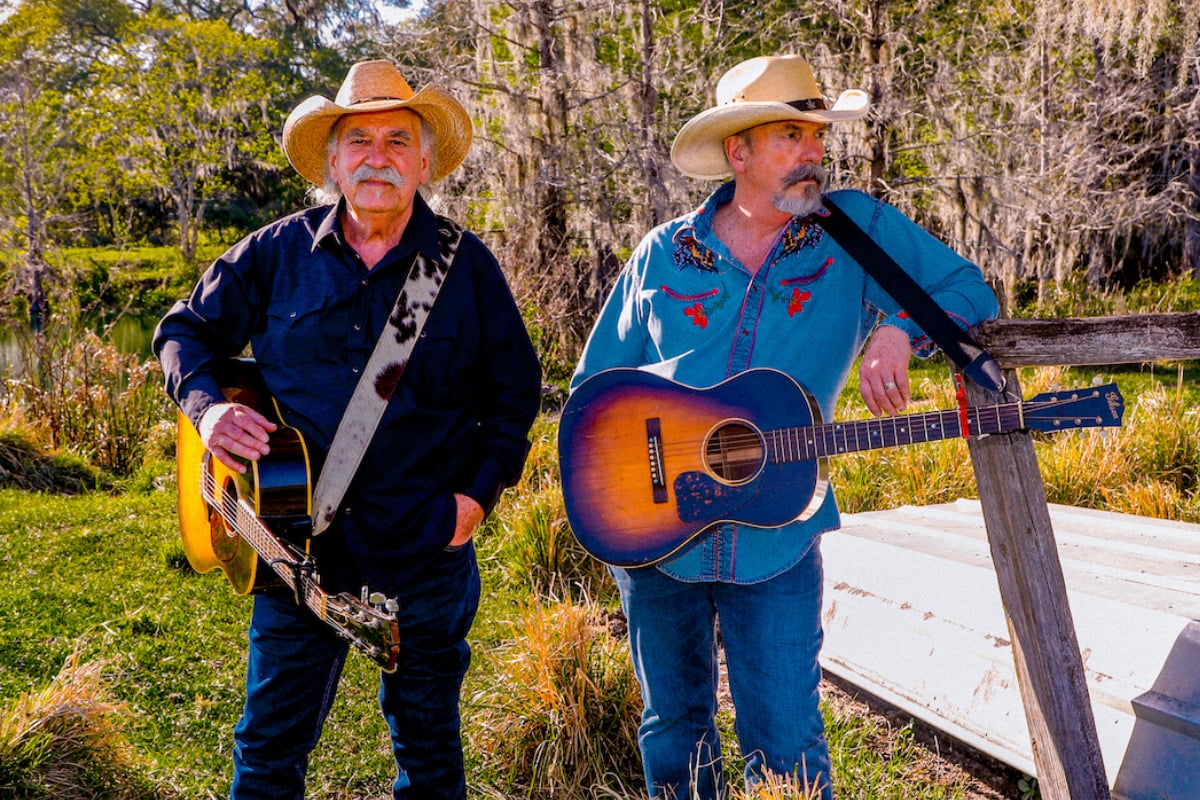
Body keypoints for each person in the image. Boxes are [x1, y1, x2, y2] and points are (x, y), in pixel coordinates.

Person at [569, 54, 999, 799]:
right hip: (656, 539)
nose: (814, 152)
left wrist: (898, 330)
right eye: (792, 136)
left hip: (778, 537)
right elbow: (592, 392)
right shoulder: (664, 253)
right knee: (673, 731)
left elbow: (967, 288)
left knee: (786, 745)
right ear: (738, 152)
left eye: (818, 136)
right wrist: (629, 487)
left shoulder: (853, 231)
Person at [154, 60, 542, 799]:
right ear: (332, 163)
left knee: (430, 754)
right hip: (292, 548)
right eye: (359, 140)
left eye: (398, 140)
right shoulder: (273, 254)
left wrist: (476, 499)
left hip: (425, 547)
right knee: (268, 753)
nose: (377, 157)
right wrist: (208, 411)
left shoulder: (466, 268)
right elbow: (184, 332)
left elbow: (516, 392)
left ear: (424, 163)